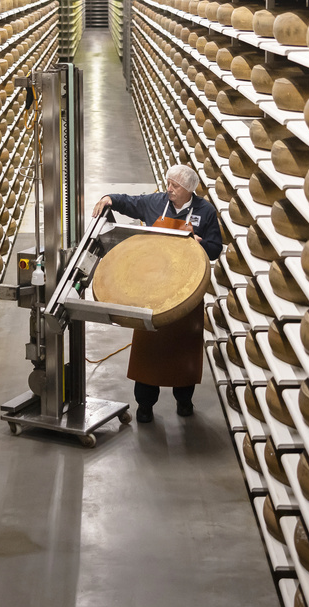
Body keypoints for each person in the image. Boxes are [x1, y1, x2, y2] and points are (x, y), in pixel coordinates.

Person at [91, 164, 222, 423]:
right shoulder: (157, 202)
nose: (169, 189)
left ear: (188, 190)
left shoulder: (205, 212)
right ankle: (145, 406)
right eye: (169, 183)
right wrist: (109, 198)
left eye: (175, 186)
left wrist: (201, 244)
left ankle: (184, 402)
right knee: (147, 353)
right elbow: (131, 203)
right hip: (152, 289)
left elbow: (216, 248)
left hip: (186, 292)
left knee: (184, 352)